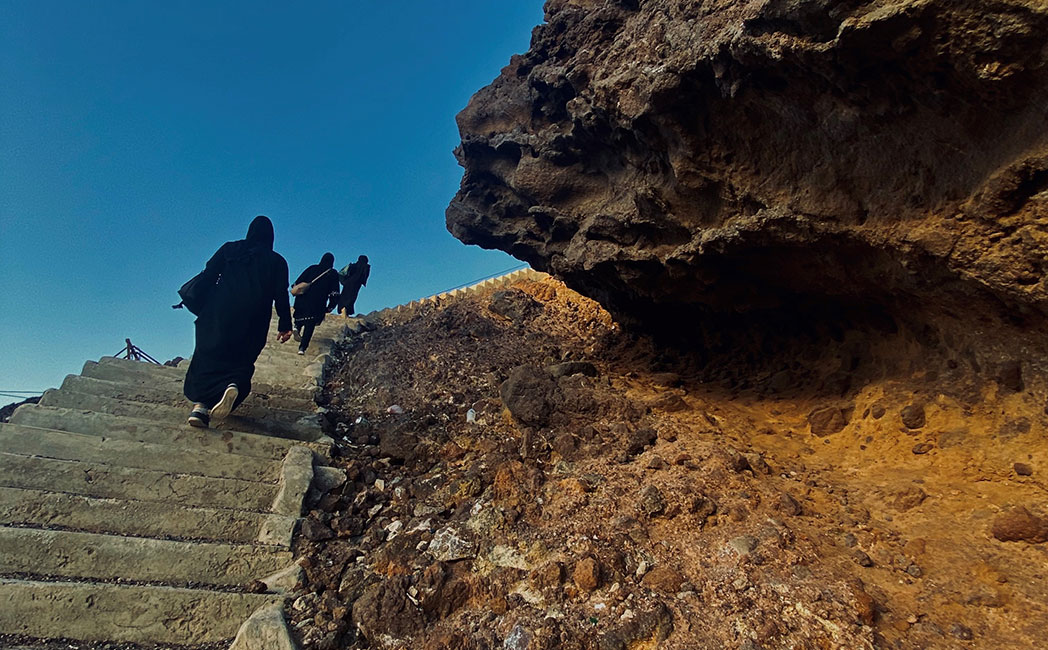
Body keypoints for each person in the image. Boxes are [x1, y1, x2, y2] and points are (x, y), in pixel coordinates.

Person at [183, 216, 292, 427]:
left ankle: (200, 408)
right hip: (254, 317)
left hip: (220, 310)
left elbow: (209, 273)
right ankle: (233, 383)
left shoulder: (230, 249)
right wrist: (285, 325)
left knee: (207, 355)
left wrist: (198, 300)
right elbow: (281, 294)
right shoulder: (278, 262)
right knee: (242, 359)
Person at [292, 253, 341, 354]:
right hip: (317, 303)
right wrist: (331, 306)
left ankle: (296, 327)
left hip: (302, 300)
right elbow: (334, 292)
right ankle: (302, 348)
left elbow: (297, 282)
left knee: (300, 317)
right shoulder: (332, 273)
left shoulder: (312, 268)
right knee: (310, 325)